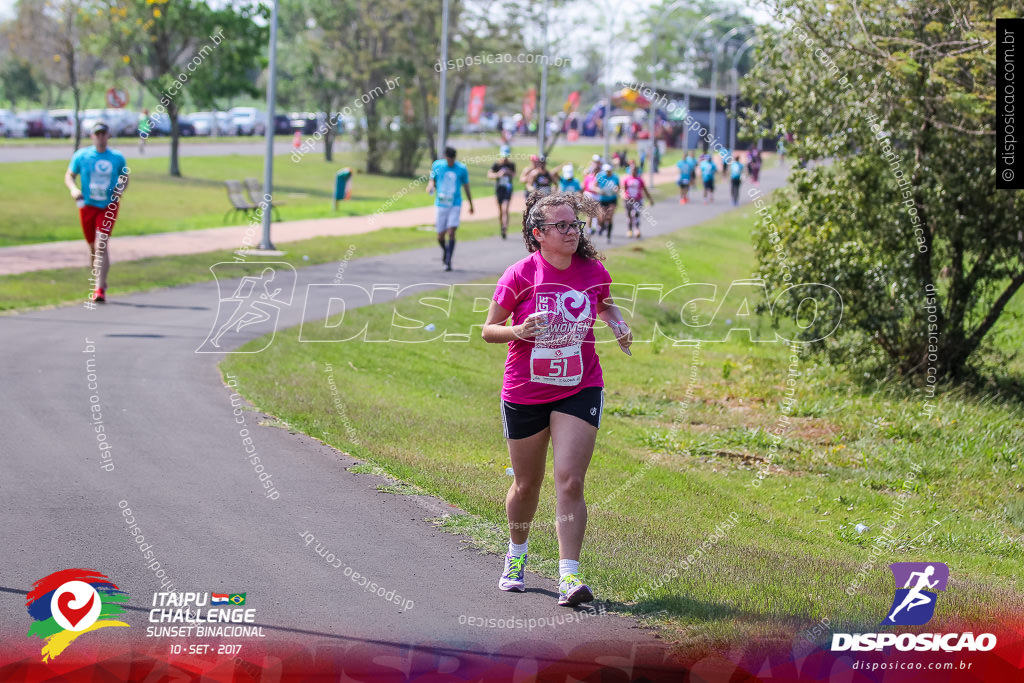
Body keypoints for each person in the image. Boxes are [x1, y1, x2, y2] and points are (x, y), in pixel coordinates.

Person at [481, 191, 633, 607]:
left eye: (575, 225)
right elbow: (488, 329)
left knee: (570, 478)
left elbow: (605, 304)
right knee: (527, 484)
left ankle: (570, 576)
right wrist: (518, 331)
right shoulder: (519, 274)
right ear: (538, 234)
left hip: (580, 384)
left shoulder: (592, 270)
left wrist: (618, 323)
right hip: (526, 389)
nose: (571, 232)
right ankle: (516, 556)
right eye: (562, 226)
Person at [64, 121, 129, 303]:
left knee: (101, 243)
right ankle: (99, 281)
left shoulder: (116, 157)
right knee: (93, 246)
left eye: (103, 134)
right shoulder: (82, 156)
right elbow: (69, 175)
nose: (100, 137)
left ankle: (99, 289)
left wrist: (120, 189)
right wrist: (73, 190)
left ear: (108, 135)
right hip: (88, 205)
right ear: (92, 136)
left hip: (108, 206)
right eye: (97, 134)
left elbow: (125, 177)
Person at [427, 146, 473, 271]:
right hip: (441, 204)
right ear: (445, 157)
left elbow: (466, 186)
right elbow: (432, 180)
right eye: (449, 159)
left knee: (451, 231)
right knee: (440, 236)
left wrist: (471, 203)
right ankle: (446, 251)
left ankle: (448, 260)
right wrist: (430, 186)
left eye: (452, 160)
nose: (450, 162)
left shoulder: (461, 169)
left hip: (455, 203)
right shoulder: (437, 165)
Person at [488, 145, 516, 239]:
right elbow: (490, 174)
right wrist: (498, 175)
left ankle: (505, 228)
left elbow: (514, 175)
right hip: (499, 189)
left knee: (505, 208)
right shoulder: (497, 164)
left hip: (508, 188)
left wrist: (509, 172)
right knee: (500, 210)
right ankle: (501, 226)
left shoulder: (511, 165)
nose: (505, 158)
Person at [622, 163, 654, 239]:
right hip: (628, 200)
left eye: (635, 170)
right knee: (629, 215)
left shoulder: (640, 180)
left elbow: (645, 190)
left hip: (637, 200)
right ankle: (629, 230)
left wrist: (650, 199)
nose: (633, 172)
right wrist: (624, 196)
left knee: (636, 214)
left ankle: (637, 229)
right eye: (632, 170)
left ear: (637, 171)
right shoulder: (627, 179)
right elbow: (623, 189)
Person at [594, 164, 620, 242]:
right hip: (602, 200)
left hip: (612, 199)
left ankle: (608, 235)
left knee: (609, 217)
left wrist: (616, 190)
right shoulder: (600, 177)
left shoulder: (615, 177)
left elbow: (619, 188)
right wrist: (600, 191)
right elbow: (594, 187)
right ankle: (601, 226)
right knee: (602, 218)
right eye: (606, 171)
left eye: (609, 171)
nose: (607, 173)